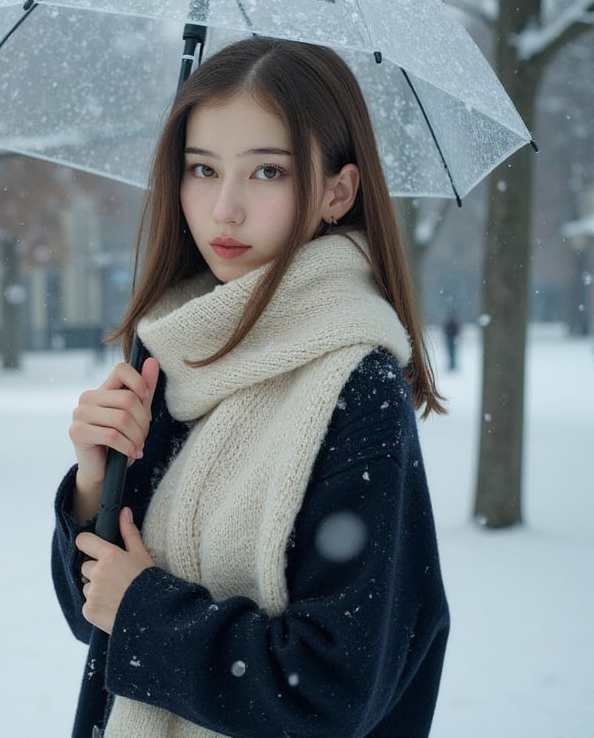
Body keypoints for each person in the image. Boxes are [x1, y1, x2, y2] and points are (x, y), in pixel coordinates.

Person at [51, 37, 449, 738]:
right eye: (202, 169)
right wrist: (94, 484)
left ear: (338, 191)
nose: (224, 209)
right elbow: (96, 627)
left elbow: (336, 689)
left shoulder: (356, 389)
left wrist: (146, 611)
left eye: (267, 172)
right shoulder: (177, 351)